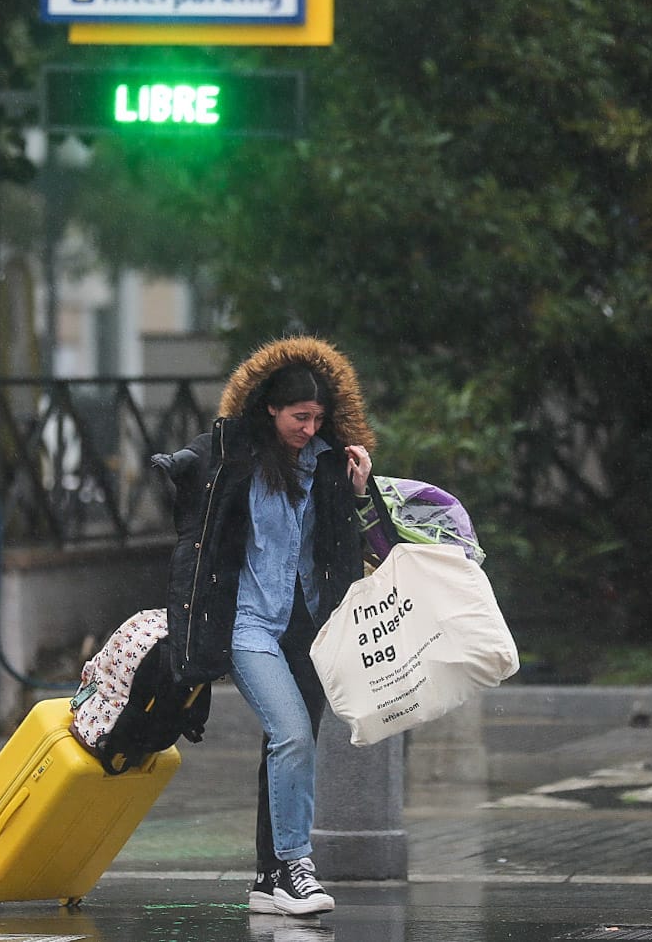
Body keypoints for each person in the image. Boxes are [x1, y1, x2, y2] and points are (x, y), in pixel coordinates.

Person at [150, 336, 397, 917]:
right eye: (298, 417)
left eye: (317, 418)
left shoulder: (333, 464)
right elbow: (194, 495)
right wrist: (176, 472)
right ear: (269, 409)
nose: (309, 428)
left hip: (310, 626)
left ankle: (268, 877)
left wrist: (360, 492)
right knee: (290, 734)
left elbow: (369, 545)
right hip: (248, 624)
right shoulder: (235, 455)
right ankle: (293, 865)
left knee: (290, 743)